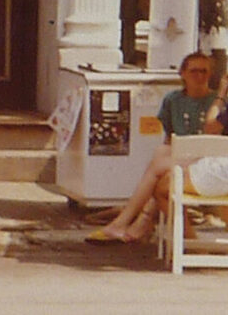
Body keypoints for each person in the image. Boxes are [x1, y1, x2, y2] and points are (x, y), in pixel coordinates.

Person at [90, 53, 228, 244]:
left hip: (226, 170)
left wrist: (220, 95)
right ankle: (128, 224)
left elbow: (210, 127)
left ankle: (189, 244)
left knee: (162, 187)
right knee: (161, 156)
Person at [85, 51, 214, 242]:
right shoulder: (173, 100)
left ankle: (132, 223)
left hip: (204, 159)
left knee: (160, 162)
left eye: (204, 72)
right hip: (180, 156)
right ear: (183, 74)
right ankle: (137, 225)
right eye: (194, 71)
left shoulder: (215, 102)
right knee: (161, 156)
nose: (199, 76)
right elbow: (169, 137)